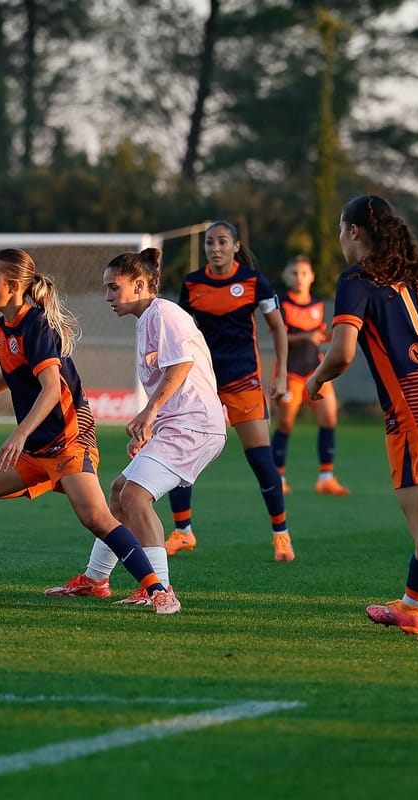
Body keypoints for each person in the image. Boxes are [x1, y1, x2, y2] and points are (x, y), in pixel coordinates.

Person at [0, 248, 180, 615]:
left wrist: (19, 434)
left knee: (96, 518)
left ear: (13, 285)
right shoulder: (1, 329)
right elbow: (16, 373)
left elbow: (49, 388)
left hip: (68, 439)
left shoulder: (37, 325)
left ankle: (159, 591)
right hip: (36, 450)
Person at [305, 195, 418, 642]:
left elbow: (342, 353)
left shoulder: (356, 280)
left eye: (342, 230)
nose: (341, 239)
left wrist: (315, 380)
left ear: (355, 232)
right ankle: (411, 607)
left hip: (417, 409)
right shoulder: (417, 277)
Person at [44, 247, 227, 605]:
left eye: (114, 287)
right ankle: (95, 579)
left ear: (140, 284)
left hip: (195, 426)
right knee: (119, 491)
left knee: (134, 496)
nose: (108, 296)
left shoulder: (165, 314)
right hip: (180, 426)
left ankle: (157, 588)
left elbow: (181, 367)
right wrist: (151, 428)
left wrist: (147, 414)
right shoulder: (148, 319)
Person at [165, 219, 295, 562]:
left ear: (236, 246)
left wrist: (281, 376)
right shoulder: (193, 284)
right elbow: (182, 332)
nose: (215, 248)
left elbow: (278, 330)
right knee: (182, 452)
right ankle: (183, 531)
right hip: (203, 382)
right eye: (210, 243)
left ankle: (281, 535)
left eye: (222, 242)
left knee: (261, 461)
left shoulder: (254, 283)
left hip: (244, 381)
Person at [271, 255, 350, 496]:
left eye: (304, 273)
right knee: (285, 424)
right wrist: (306, 337)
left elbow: (320, 335)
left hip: (316, 372)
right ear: (287, 276)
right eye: (295, 273)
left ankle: (326, 478)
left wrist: (330, 336)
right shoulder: (281, 303)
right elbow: (279, 337)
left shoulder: (317, 305)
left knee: (329, 419)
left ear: (312, 277)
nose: (299, 278)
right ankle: (279, 478)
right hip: (290, 373)